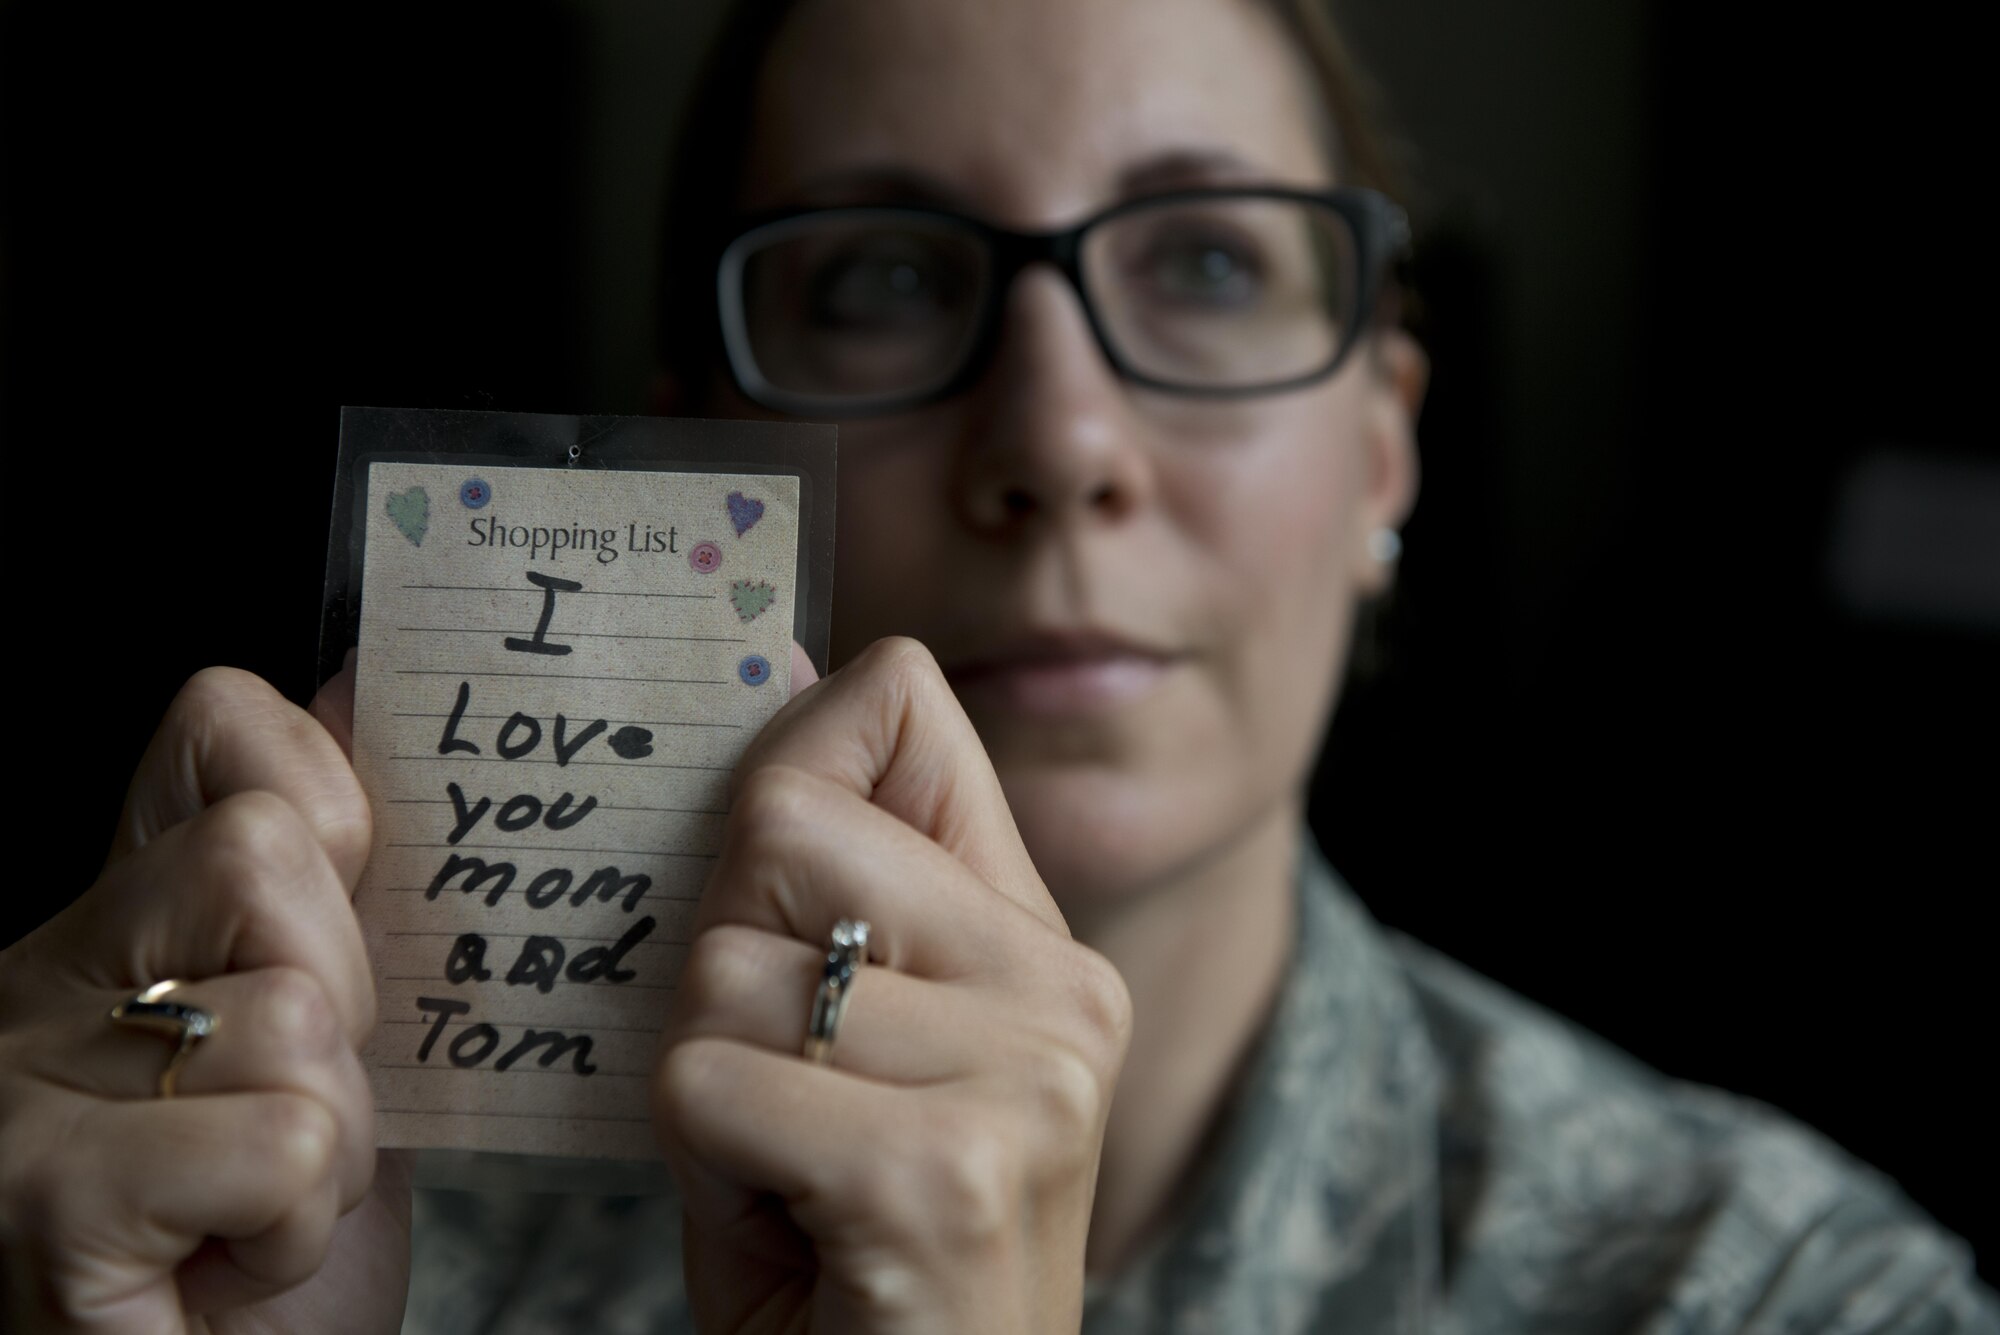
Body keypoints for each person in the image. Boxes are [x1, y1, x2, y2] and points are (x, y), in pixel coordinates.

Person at [2, 0, 1993, 1331]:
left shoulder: (1774, 1290)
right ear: (704, 450)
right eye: (881, 278)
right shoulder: (287, 1232)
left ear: (1383, 443)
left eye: (1206, 260)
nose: (1054, 442)